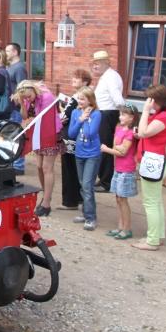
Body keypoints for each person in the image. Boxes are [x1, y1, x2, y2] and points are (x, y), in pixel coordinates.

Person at [132, 85, 166, 251]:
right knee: (156, 202)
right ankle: (157, 236)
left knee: (150, 203)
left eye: (150, 100)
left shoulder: (164, 117)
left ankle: (152, 241)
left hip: (153, 162)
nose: (148, 102)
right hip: (154, 161)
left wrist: (144, 111)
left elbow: (144, 132)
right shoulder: (162, 115)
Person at [12, 80, 63, 217]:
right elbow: (24, 116)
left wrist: (30, 119)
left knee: (47, 167)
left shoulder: (46, 97)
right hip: (38, 134)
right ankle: (46, 195)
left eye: (29, 96)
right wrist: (23, 102)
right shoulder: (28, 98)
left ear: (33, 90)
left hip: (50, 132)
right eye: (25, 97)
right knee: (39, 166)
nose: (28, 99)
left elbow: (42, 118)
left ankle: (46, 203)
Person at [101, 104, 138, 239]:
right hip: (118, 168)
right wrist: (116, 148)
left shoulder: (130, 132)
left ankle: (127, 229)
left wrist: (106, 149)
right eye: (120, 114)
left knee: (123, 199)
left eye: (124, 114)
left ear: (132, 117)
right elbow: (117, 147)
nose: (120, 116)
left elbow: (122, 151)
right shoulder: (119, 128)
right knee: (118, 198)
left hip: (127, 169)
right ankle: (120, 226)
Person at [91, 50, 125, 191]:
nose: (95, 66)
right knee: (103, 146)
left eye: (98, 63)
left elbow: (117, 98)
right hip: (105, 113)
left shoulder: (110, 77)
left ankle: (106, 182)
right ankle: (104, 179)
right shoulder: (107, 76)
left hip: (107, 114)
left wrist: (124, 115)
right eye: (94, 63)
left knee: (104, 147)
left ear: (106, 62)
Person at [68, 86, 101, 229]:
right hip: (79, 153)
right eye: (79, 98)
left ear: (90, 100)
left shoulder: (97, 114)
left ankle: (91, 217)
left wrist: (86, 119)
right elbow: (71, 133)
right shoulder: (76, 113)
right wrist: (80, 119)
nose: (79, 101)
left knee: (87, 185)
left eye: (83, 99)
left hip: (92, 154)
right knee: (83, 185)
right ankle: (85, 213)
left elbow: (90, 133)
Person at [59, 69, 93, 210]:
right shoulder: (78, 96)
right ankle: (76, 198)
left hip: (72, 136)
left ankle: (71, 201)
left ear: (84, 82)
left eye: (77, 78)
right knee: (72, 168)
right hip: (70, 134)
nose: (73, 79)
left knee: (70, 168)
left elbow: (72, 117)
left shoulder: (82, 97)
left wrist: (63, 117)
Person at [4, 43, 28, 173]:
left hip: (16, 108)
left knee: (16, 135)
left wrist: (17, 95)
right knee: (10, 135)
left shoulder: (19, 68)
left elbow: (22, 87)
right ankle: (13, 163)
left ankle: (19, 166)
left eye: (8, 51)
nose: (6, 54)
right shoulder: (10, 67)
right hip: (10, 107)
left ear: (15, 52)